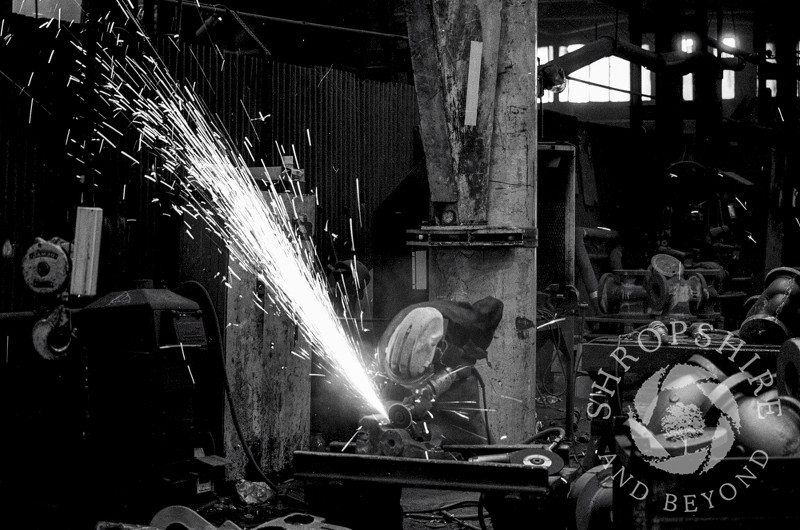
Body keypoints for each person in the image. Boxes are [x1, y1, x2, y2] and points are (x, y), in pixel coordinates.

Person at [376, 296, 504, 445]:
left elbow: (494, 308)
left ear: (437, 351)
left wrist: (434, 387)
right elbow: (382, 397)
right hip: (409, 365)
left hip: (454, 374)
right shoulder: (385, 351)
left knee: (465, 436)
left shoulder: (461, 329)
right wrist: (394, 406)